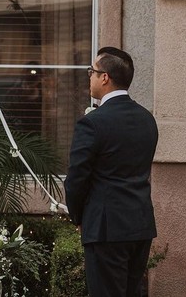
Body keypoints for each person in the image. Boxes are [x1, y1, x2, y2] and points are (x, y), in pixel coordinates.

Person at [65, 47, 158, 297]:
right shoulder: (147, 119)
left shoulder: (93, 122)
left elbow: (76, 178)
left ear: (104, 77)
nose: (90, 77)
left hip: (106, 228)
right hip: (140, 223)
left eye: (92, 72)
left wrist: (78, 217)